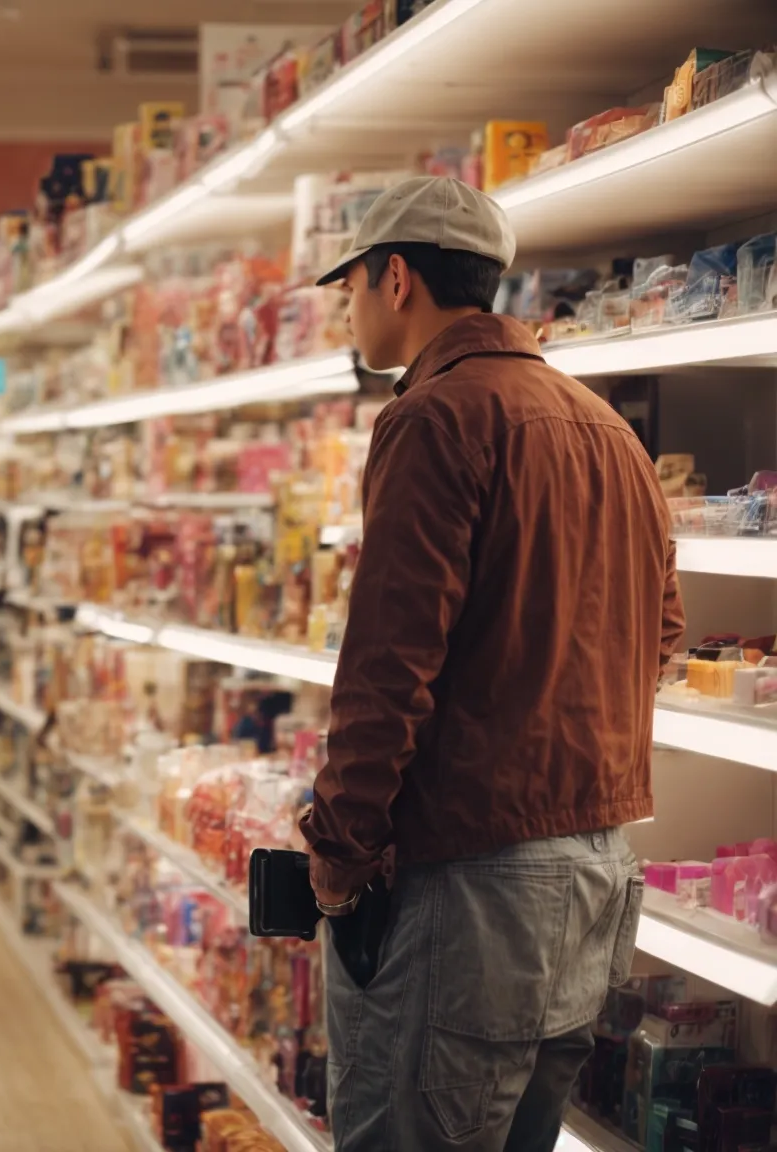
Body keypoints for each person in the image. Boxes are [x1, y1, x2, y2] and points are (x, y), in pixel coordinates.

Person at [299, 176, 680, 1151]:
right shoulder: (609, 433)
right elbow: (661, 634)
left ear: (393, 278)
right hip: (594, 874)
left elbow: (387, 667)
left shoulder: (432, 419)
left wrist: (337, 856)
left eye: (348, 286)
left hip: (464, 885)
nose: (347, 307)